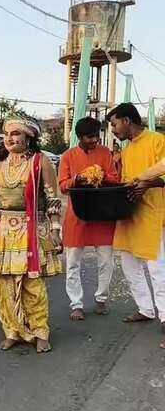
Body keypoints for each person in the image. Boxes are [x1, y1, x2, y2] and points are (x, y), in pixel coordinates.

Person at [0, 117, 62, 353]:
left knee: (32, 284)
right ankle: (12, 331)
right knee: (3, 284)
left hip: (30, 229)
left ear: (28, 137)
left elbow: (53, 199)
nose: (9, 138)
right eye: (6, 134)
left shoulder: (40, 161)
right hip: (2, 231)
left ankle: (40, 332)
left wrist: (55, 230)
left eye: (15, 133)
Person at [109, 103, 165, 344]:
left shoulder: (157, 140)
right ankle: (145, 308)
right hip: (130, 215)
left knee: (158, 269)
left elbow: (162, 175)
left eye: (114, 125)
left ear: (127, 121)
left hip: (153, 214)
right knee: (129, 264)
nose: (113, 130)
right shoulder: (126, 149)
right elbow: (126, 181)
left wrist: (147, 183)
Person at [58, 116, 119, 321]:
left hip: (102, 215)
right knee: (73, 263)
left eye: (96, 136)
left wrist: (100, 175)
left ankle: (101, 298)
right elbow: (62, 185)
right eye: (90, 137)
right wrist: (78, 179)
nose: (95, 140)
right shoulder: (67, 156)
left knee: (106, 261)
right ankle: (76, 304)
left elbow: (115, 178)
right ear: (80, 137)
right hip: (77, 216)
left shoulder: (105, 153)